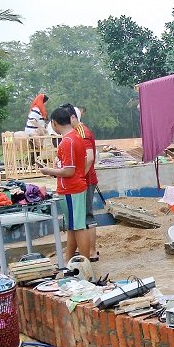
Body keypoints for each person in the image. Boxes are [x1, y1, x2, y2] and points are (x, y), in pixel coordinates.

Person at [39, 106, 90, 262]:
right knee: (73, 227)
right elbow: (83, 161)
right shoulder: (75, 137)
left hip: (71, 189)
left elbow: (69, 171)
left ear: (54, 123)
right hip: (73, 188)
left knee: (78, 227)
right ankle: (68, 262)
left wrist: (49, 171)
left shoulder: (67, 141)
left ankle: (85, 264)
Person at [67, 104, 100, 262]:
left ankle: (92, 251)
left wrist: (79, 177)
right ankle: (87, 251)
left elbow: (90, 158)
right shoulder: (76, 132)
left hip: (85, 181)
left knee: (87, 216)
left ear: (73, 118)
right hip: (82, 180)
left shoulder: (82, 132)